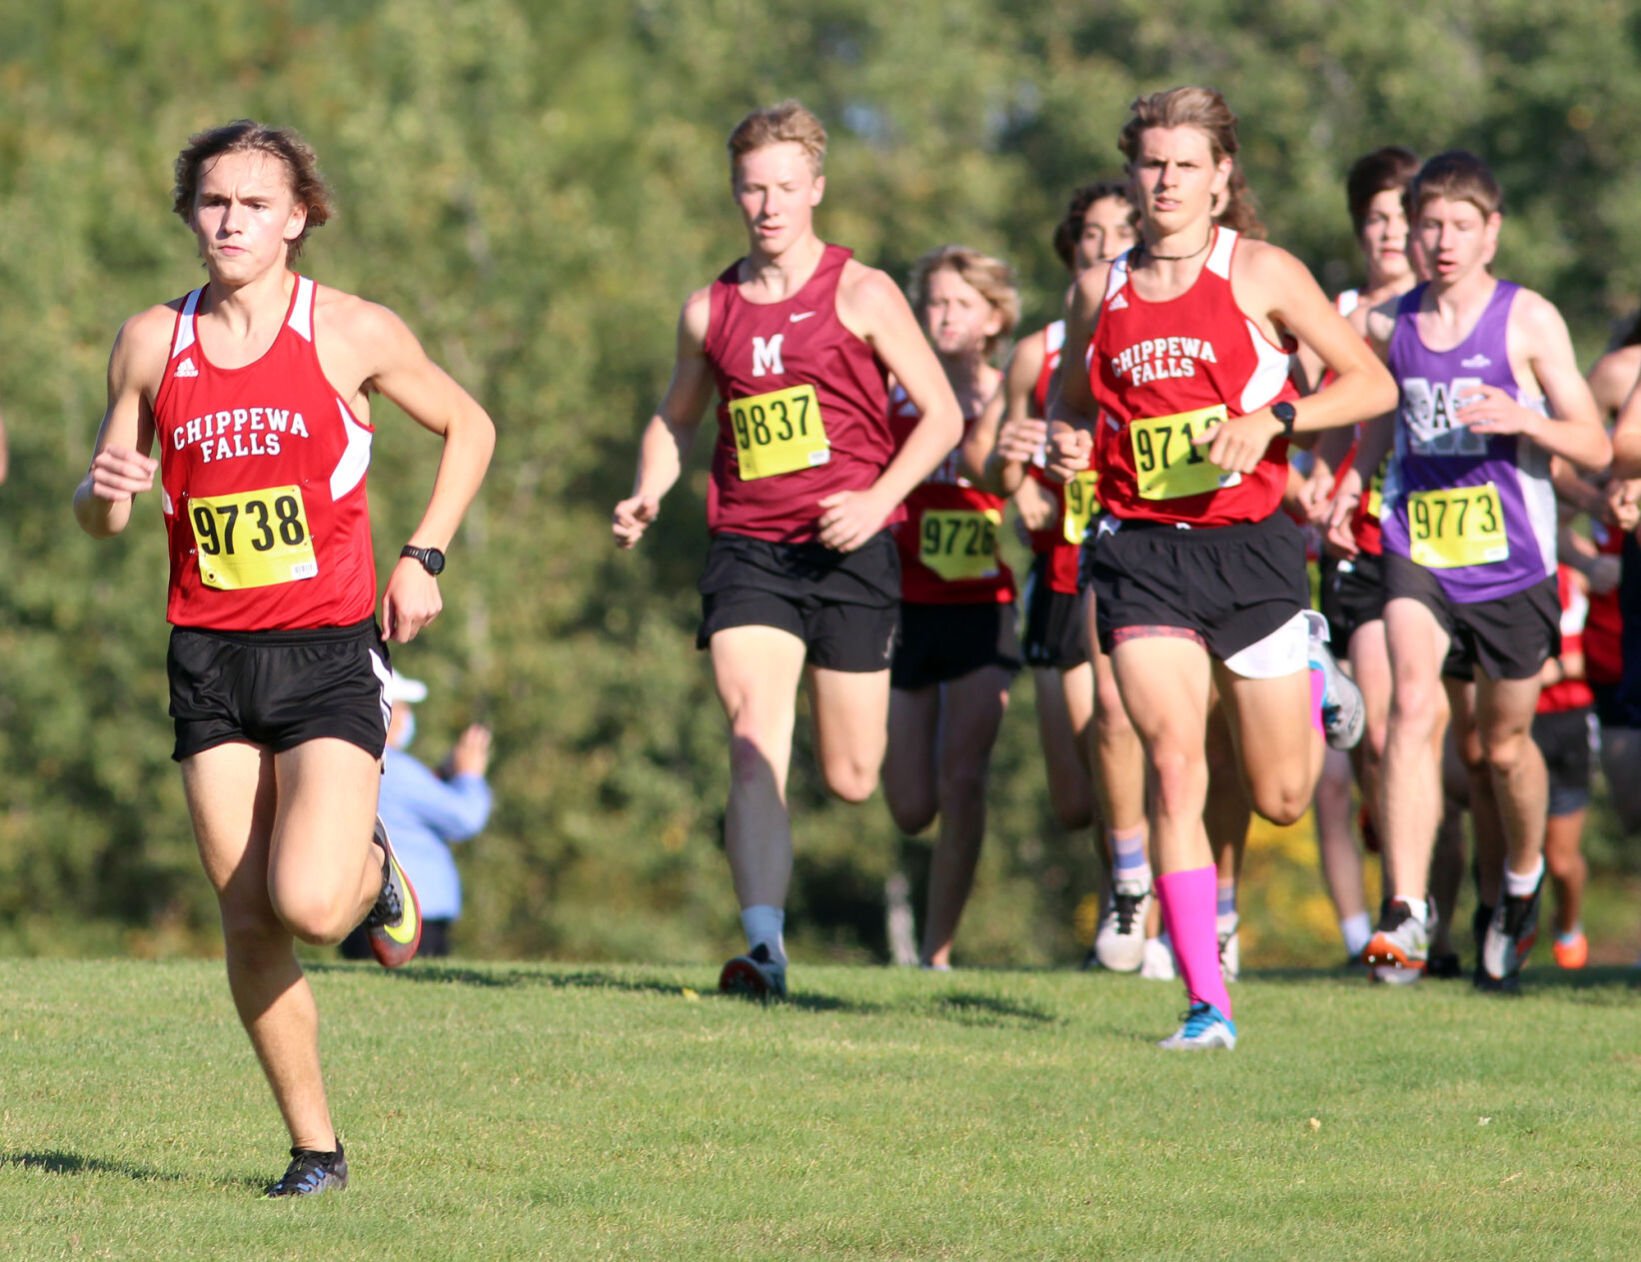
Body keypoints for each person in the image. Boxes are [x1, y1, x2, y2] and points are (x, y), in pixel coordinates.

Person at [72, 120, 496, 1196]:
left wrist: (424, 554)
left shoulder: (349, 329)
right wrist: (101, 494)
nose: (230, 220)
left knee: (311, 901)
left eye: (254, 203)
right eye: (213, 201)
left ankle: (374, 866)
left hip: (326, 650)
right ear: (189, 215)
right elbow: (104, 509)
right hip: (208, 654)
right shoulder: (146, 342)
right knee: (250, 917)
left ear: (298, 216)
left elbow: (470, 426)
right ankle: (316, 1150)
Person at [1048, 86, 1394, 1050]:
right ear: (1133, 172)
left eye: (1184, 165)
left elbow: (1371, 382)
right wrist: (1071, 444)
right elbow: (1076, 404)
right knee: (1171, 763)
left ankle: (1310, 662)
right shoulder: (1099, 292)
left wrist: (1272, 418)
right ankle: (1207, 1003)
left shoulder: (1262, 274)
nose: (1165, 182)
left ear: (1220, 178)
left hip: (1250, 551)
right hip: (1138, 549)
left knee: (1283, 795)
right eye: (1151, 163)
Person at [611, 101, 961, 1000]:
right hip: (750, 549)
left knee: (851, 777)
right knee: (750, 737)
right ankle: (763, 950)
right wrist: (651, 485)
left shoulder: (863, 292)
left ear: (815, 189)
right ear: (735, 192)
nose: (766, 205)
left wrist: (879, 500)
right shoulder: (708, 309)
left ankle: (803, 875)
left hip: (850, 551)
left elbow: (943, 416)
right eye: (751, 188)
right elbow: (674, 417)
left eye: (783, 188)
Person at [1332, 150, 1610, 988]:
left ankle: (1519, 884)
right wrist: (1350, 478)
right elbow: (1378, 414)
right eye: (1428, 227)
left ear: (1490, 232)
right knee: (1411, 707)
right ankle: (1406, 911)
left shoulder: (1527, 321)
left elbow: (1594, 442)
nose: (1441, 242)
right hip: (1416, 543)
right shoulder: (1388, 325)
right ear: (1410, 234)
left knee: (1500, 747)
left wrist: (1522, 417)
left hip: (1512, 560)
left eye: (1459, 226)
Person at [959, 181, 1148, 971]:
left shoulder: (1156, 331)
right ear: (1070, 251)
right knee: (1077, 798)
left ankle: (1147, 916)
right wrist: (1021, 477)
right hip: (1062, 574)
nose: (1102, 249)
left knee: (1137, 732)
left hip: (1141, 565)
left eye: (1117, 235)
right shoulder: (1039, 351)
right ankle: (1123, 892)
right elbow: (988, 464)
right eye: (1089, 238)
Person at [885, 245, 1021, 970]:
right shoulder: (891, 390)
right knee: (910, 805)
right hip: (900, 604)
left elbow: (1023, 488)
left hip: (980, 605)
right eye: (933, 303)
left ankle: (935, 951)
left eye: (959, 304)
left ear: (993, 317)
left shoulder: (1011, 393)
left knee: (962, 778)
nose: (943, 318)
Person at [1305, 146, 1423, 964]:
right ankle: (1362, 933)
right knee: (1345, 754)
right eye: (1374, 218)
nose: (1387, 232)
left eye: (1401, 217)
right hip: (1347, 542)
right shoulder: (1333, 314)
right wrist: (1314, 487)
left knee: (1407, 737)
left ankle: (1419, 911)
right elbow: (1310, 424)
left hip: (1429, 542)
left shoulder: (1445, 311)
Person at [339, 671, 493, 960]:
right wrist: (469, 775)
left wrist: (445, 775)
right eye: (401, 706)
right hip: (403, 916)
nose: (404, 717)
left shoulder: (355, 759)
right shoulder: (393, 767)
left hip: (371, 911)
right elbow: (465, 817)